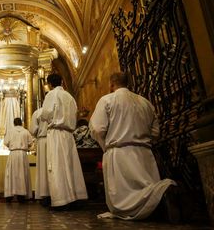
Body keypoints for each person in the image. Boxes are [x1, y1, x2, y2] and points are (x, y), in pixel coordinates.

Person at [89, 72, 179, 222]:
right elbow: (155, 132)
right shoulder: (145, 102)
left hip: (119, 153)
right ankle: (160, 195)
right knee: (146, 185)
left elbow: (97, 129)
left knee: (122, 200)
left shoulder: (107, 100)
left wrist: (106, 146)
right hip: (144, 153)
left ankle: (163, 190)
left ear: (111, 84)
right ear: (128, 83)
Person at [40, 73, 88, 208]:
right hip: (69, 134)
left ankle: (61, 200)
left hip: (56, 133)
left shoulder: (51, 95)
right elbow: (74, 113)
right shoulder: (70, 97)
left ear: (49, 84)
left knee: (57, 165)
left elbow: (45, 114)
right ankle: (75, 197)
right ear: (61, 82)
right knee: (70, 165)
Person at [4, 118, 33, 202]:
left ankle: (10, 195)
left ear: (14, 123)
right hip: (23, 154)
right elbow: (31, 143)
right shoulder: (26, 131)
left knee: (11, 174)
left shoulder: (10, 131)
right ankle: (22, 196)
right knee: (22, 174)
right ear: (21, 123)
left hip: (13, 154)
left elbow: (5, 142)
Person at [30, 108, 50, 205]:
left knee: (43, 169)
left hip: (42, 141)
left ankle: (45, 195)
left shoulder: (38, 112)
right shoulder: (56, 109)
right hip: (55, 139)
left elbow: (33, 130)